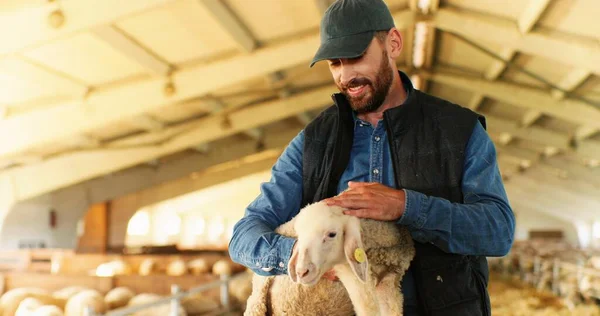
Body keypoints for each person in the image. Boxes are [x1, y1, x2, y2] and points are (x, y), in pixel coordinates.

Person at [228, 0, 515, 315]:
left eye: (355, 57)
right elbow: (244, 236)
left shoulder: (459, 130)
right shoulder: (312, 142)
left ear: (393, 43)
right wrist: (306, 254)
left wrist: (406, 206)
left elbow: (498, 231)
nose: (345, 74)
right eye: (334, 63)